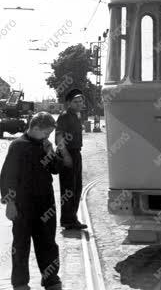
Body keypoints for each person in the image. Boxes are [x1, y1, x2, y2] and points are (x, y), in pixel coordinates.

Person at [1, 112, 63, 290]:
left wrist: (50, 151)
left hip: (45, 204)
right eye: (46, 133)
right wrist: (10, 204)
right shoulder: (18, 146)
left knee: (48, 243)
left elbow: (56, 169)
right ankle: (20, 282)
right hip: (22, 205)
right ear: (35, 128)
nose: (48, 136)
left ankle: (50, 279)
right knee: (21, 244)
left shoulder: (45, 145)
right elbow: (7, 177)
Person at [55, 89, 87, 230]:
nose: (79, 103)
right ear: (69, 103)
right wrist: (66, 156)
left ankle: (71, 218)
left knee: (76, 188)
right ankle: (68, 220)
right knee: (68, 189)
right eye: (76, 101)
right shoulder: (65, 116)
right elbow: (59, 138)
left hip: (75, 153)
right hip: (68, 154)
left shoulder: (76, 115)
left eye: (80, 101)